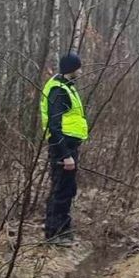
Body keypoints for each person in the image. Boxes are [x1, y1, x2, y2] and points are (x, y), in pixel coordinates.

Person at [40, 52, 88, 246]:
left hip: (69, 144)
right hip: (63, 146)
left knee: (66, 189)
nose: (81, 71)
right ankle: (55, 234)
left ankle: (61, 229)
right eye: (79, 67)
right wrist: (66, 155)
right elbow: (54, 125)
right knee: (62, 190)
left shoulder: (66, 87)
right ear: (72, 69)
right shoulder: (58, 91)